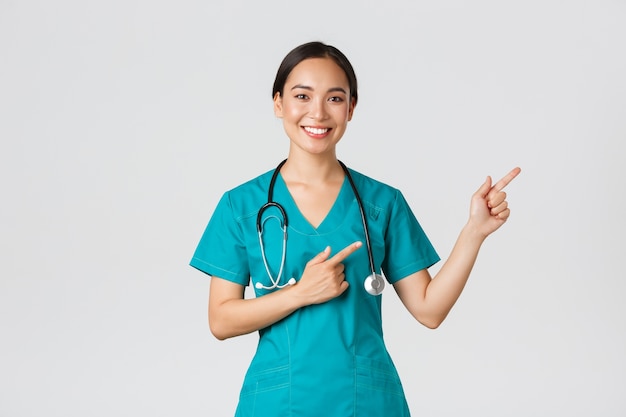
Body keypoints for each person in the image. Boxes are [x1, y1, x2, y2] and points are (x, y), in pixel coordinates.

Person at [190, 41, 520, 417]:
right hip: (277, 403)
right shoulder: (241, 206)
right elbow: (221, 319)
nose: (317, 112)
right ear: (278, 102)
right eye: (302, 95)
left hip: (366, 403)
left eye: (334, 98)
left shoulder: (381, 204)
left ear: (351, 109)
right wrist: (300, 294)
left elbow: (430, 310)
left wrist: (474, 232)